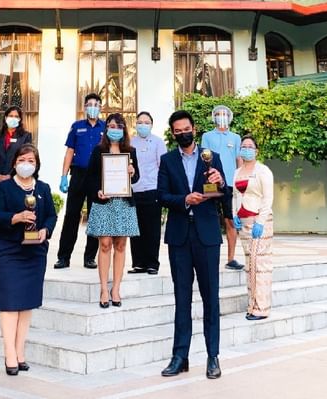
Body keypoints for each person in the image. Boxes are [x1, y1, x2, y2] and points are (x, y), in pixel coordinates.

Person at [158, 110, 226, 379]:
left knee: (211, 298)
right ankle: (180, 356)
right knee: (182, 298)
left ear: (194, 129)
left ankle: (213, 357)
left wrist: (220, 183)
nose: (183, 133)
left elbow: (223, 195)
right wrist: (186, 199)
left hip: (207, 236)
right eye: (177, 130)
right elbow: (161, 196)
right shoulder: (167, 160)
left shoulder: (212, 158)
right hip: (179, 238)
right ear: (173, 134)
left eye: (186, 128)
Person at [0, 144, 57, 375]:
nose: (27, 164)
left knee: (26, 303)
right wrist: (16, 217)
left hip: (34, 253)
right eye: (22, 159)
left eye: (31, 160)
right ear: (15, 162)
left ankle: (20, 352)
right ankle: (9, 353)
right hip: (8, 251)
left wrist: (46, 230)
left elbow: (51, 216)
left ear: (36, 165)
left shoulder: (44, 189)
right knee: (9, 304)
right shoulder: (4, 188)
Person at [86, 113, 140, 308]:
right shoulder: (98, 150)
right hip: (104, 203)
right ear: (106, 129)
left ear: (124, 129)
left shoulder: (130, 151)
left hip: (123, 203)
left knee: (120, 245)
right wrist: (97, 191)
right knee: (105, 243)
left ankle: (116, 288)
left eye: (118, 126)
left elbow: (135, 179)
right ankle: (103, 288)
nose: (114, 129)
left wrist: (132, 173)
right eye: (110, 126)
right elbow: (90, 178)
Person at [54, 93, 105, 269]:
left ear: (100, 107)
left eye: (96, 104)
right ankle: (63, 257)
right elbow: (70, 151)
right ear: (84, 107)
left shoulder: (105, 127)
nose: (93, 107)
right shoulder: (76, 127)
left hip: (98, 177)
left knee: (95, 216)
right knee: (71, 216)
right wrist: (63, 175)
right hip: (78, 175)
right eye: (89, 104)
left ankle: (90, 257)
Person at [232, 135, 274, 321]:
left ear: (256, 150)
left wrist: (261, 221)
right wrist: (234, 214)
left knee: (260, 265)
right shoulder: (237, 172)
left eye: (250, 146)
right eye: (243, 146)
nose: (246, 149)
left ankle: (262, 307)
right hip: (244, 223)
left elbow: (267, 198)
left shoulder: (263, 171)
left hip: (259, 222)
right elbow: (235, 195)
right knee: (250, 266)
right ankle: (252, 304)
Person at [201, 105, 244, 270]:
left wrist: (241, 182)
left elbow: (239, 161)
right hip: (211, 182)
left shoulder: (235, 138)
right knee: (209, 218)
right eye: (218, 114)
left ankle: (231, 258)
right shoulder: (207, 136)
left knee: (230, 221)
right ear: (214, 117)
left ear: (230, 117)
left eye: (224, 114)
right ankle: (207, 257)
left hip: (230, 185)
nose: (221, 116)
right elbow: (204, 158)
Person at [127, 111, 167, 275]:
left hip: (152, 190)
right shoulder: (130, 142)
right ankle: (138, 263)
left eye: (146, 122)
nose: (142, 125)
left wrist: (162, 191)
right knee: (135, 229)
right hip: (134, 190)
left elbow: (163, 167)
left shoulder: (158, 142)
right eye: (140, 122)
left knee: (152, 229)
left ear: (151, 125)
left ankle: (152, 263)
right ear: (135, 124)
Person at [0, 105, 33, 198]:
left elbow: (25, 159)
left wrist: (10, 175)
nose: (13, 118)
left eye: (16, 116)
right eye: (11, 116)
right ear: (5, 117)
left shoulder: (25, 136)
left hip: (16, 180)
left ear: (20, 119)